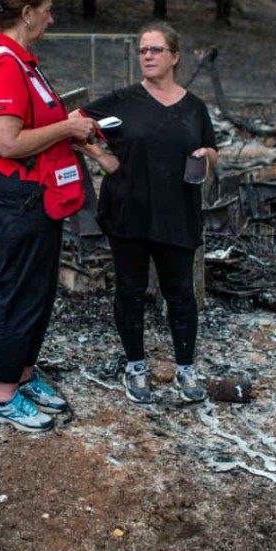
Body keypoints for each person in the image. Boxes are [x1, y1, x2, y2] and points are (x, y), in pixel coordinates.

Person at [0, 0, 100, 432]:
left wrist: (69, 122)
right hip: (14, 200)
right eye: (47, 8)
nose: (52, 16)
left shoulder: (25, 63)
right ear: (27, 13)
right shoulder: (5, 64)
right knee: (20, 294)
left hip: (38, 198)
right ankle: (3, 396)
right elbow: (6, 141)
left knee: (38, 292)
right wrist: (66, 129)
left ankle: (23, 375)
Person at [74, 22, 218, 404]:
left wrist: (208, 158)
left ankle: (185, 368)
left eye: (156, 50)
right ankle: (136, 366)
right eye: (143, 51)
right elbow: (75, 123)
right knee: (130, 291)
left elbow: (210, 150)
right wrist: (103, 157)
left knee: (182, 293)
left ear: (174, 56)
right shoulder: (122, 101)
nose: (148, 56)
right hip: (129, 211)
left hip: (177, 213)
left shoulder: (194, 107)